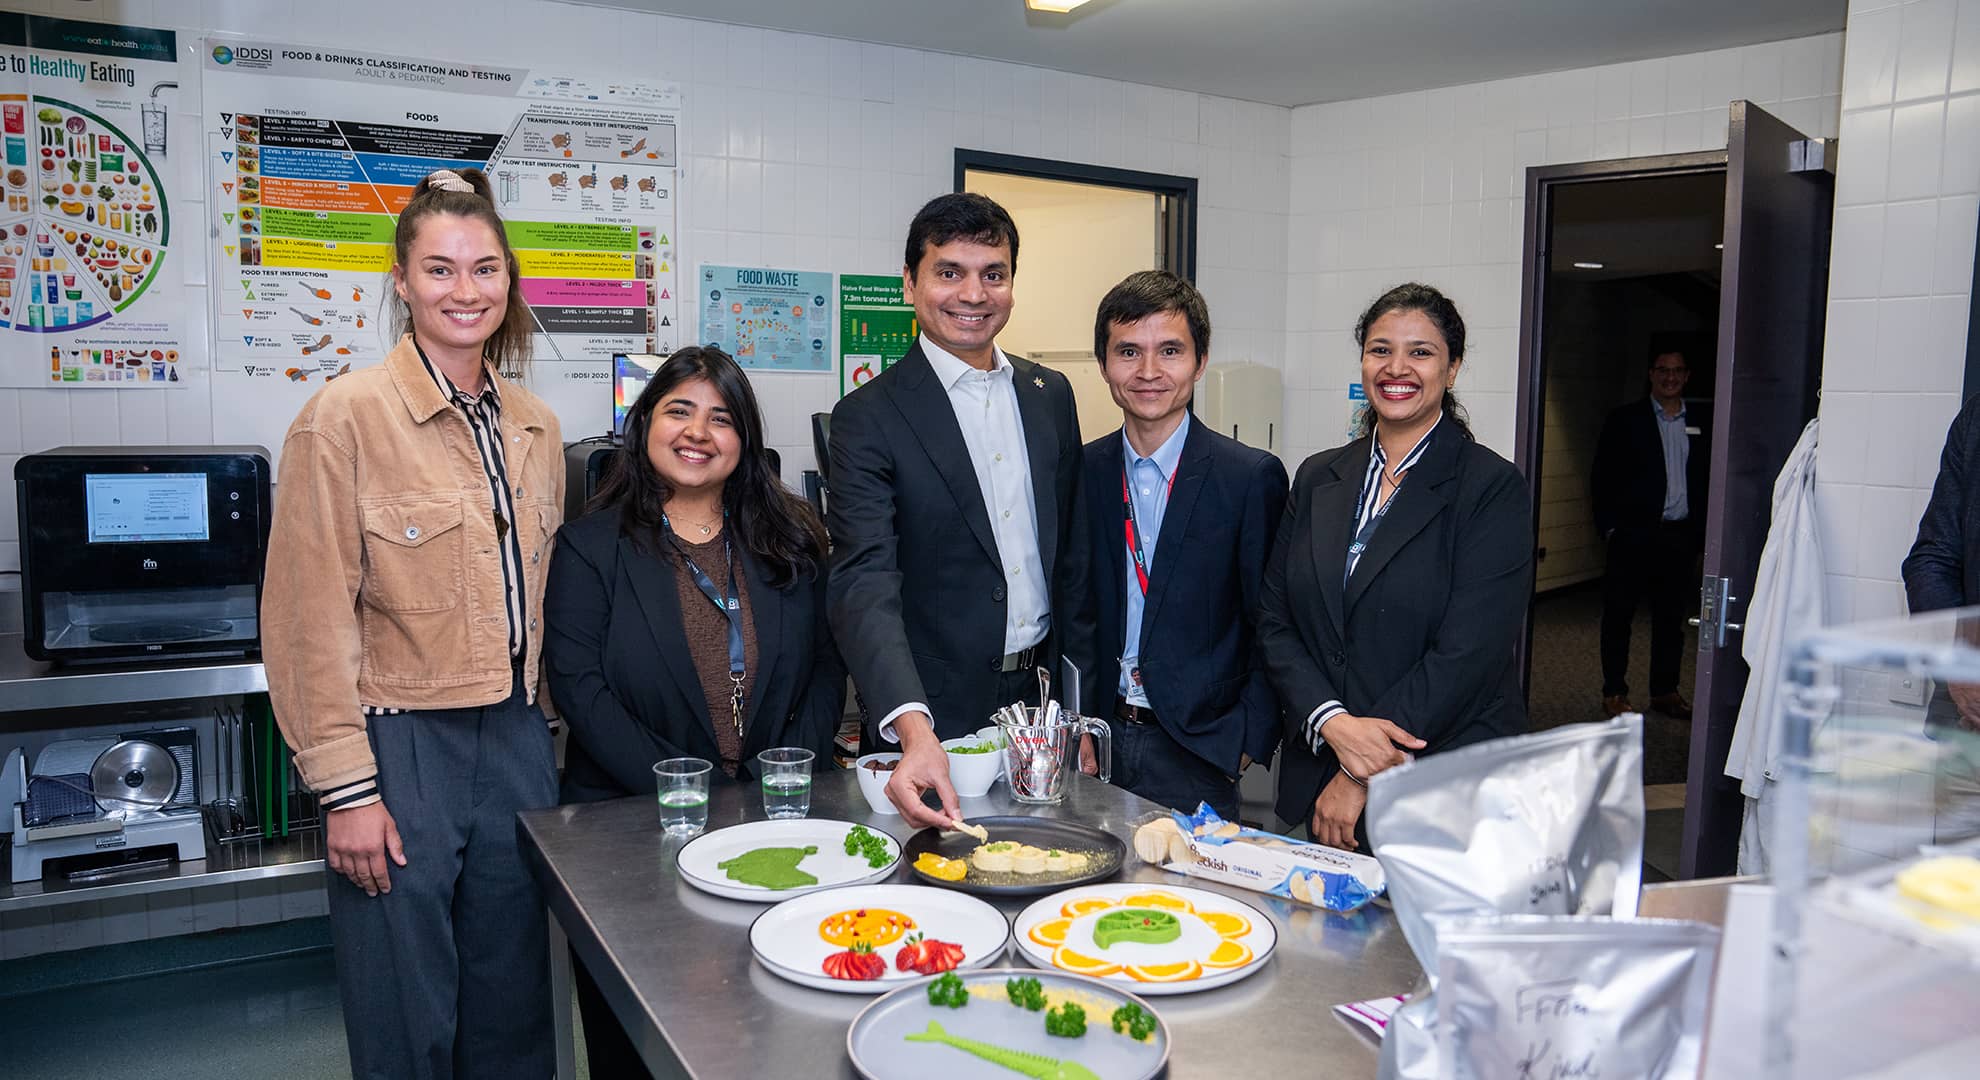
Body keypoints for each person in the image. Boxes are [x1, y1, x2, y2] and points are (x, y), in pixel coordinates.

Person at [262, 168, 562, 1080]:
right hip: (402, 743)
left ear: (509, 280)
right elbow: (308, 619)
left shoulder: (536, 426)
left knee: (515, 999)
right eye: (439, 269)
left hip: (514, 735)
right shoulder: (342, 420)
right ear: (402, 282)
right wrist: (347, 790)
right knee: (406, 1004)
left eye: (483, 269)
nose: (464, 291)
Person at [543, 345, 843, 1077]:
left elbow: (828, 670)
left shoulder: (793, 540)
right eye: (679, 410)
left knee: (779, 1030)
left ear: (745, 440)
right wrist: (693, 793)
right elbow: (580, 687)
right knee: (644, 1040)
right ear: (646, 424)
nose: (698, 433)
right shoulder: (591, 547)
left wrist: (781, 780)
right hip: (633, 833)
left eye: (721, 418)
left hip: (779, 835)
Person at [828, 192, 1100, 828]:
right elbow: (863, 581)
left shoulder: (1049, 394)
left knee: (1043, 876)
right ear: (910, 284)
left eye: (993, 274)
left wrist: (1081, 711)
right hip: (932, 711)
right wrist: (911, 725)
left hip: (1041, 705)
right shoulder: (869, 419)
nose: (973, 294)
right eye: (949, 272)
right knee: (931, 890)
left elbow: (1072, 565)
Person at [1258, 282, 1533, 850]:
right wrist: (1332, 724)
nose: (1396, 368)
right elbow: (1276, 619)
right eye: (1380, 349)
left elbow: (1468, 656)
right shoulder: (1318, 477)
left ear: (1452, 369)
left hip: (1438, 783)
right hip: (1319, 765)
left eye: (1421, 352)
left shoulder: (1489, 488)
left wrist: (1360, 770)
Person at [1081, 270, 1287, 820]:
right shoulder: (1082, 470)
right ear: (1104, 365)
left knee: (1192, 902)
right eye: (1129, 352)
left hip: (1200, 746)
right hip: (1095, 743)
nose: (1148, 372)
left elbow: (1271, 621)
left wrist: (1247, 739)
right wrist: (1074, 720)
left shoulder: (1248, 478)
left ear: (1200, 362)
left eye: (1169, 351)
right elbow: (1076, 610)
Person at [1590, 347, 1709, 721]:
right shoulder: (1626, 419)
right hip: (1633, 535)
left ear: (1687, 375)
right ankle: (1614, 692)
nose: (1670, 377)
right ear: (1651, 374)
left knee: (1671, 620)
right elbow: (1602, 476)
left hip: (1678, 537)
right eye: (1662, 370)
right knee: (1619, 616)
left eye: (1677, 370)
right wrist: (1610, 527)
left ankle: (1665, 691)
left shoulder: (1704, 420)